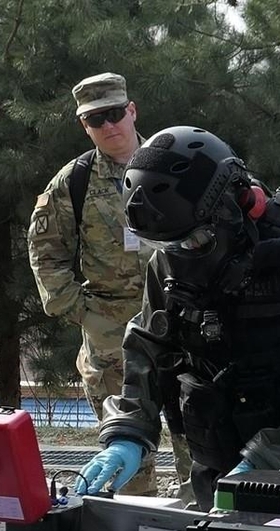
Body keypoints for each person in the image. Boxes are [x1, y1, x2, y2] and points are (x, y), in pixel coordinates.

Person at [74, 125, 280, 511]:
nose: (181, 254)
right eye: (166, 245)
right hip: (214, 447)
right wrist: (128, 432)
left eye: (194, 242)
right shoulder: (172, 254)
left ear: (238, 206)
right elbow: (148, 345)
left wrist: (266, 461)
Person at [27, 73, 193, 500]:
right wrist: (81, 312)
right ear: (85, 126)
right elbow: (45, 249)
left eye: (115, 114)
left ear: (132, 111)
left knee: (198, 442)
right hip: (112, 338)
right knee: (126, 459)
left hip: (184, 322)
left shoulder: (176, 162)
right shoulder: (74, 181)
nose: (109, 125)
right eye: (96, 119)